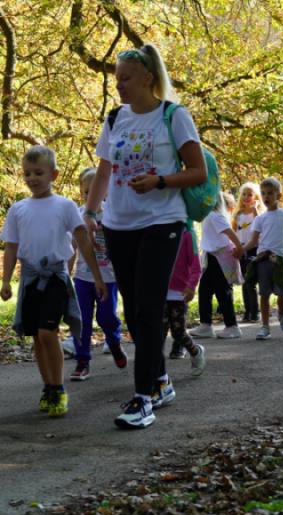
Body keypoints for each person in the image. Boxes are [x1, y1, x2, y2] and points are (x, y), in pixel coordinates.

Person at [84, 44, 207, 430]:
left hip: (162, 221)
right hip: (118, 224)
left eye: (125, 78)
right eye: (116, 78)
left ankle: (143, 399)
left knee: (150, 307)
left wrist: (160, 181)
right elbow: (104, 171)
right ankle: (161, 381)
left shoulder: (174, 115)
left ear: (148, 78)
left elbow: (198, 171)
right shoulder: (115, 118)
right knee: (135, 311)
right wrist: (91, 211)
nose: (118, 85)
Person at [0, 146, 107, 418]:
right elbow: (11, 246)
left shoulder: (65, 205)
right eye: (27, 173)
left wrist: (97, 277)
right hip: (30, 279)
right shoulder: (18, 209)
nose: (32, 178)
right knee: (37, 336)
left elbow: (82, 239)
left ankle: (59, 387)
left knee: (49, 333)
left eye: (38, 172)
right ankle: (48, 386)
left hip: (56, 278)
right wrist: (6, 281)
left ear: (54, 174)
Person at [68, 168, 127, 381]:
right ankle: (82, 361)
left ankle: (114, 342)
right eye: (85, 192)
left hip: (109, 277)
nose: (89, 195)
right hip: (83, 278)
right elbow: (73, 246)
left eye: (95, 190)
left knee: (106, 317)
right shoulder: (78, 214)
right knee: (81, 320)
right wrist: (66, 272)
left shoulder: (113, 214)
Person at [243, 177, 283, 339]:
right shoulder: (260, 218)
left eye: (270, 193)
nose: (266, 197)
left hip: (280, 259)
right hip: (263, 259)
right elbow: (253, 241)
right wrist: (240, 248)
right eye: (263, 193)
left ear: (279, 196)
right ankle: (265, 326)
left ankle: (281, 313)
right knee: (264, 294)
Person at [192, 192, 245, 338]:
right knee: (204, 291)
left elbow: (229, 232)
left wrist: (239, 247)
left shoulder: (215, 216)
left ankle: (232, 326)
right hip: (211, 257)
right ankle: (205, 325)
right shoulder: (207, 216)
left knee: (223, 292)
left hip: (220, 257)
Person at [165, 226, 207, 377]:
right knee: (158, 334)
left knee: (178, 332)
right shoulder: (155, 232)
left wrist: (191, 286)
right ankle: (157, 374)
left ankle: (196, 351)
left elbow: (197, 266)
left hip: (179, 293)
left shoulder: (188, 235)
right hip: (159, 292)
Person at [231, 182, 263, 326]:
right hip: (241, 249)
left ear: (256, 197)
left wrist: (256, 210)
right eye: (244, 194)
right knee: (244, 282)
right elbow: (234, 231)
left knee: (251, 282)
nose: (246, 197)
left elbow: (260, 227)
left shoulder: (257, 214)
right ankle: (247, 311)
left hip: (254, 249)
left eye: (250, 194)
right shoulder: (238, 214)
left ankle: (255, 312)